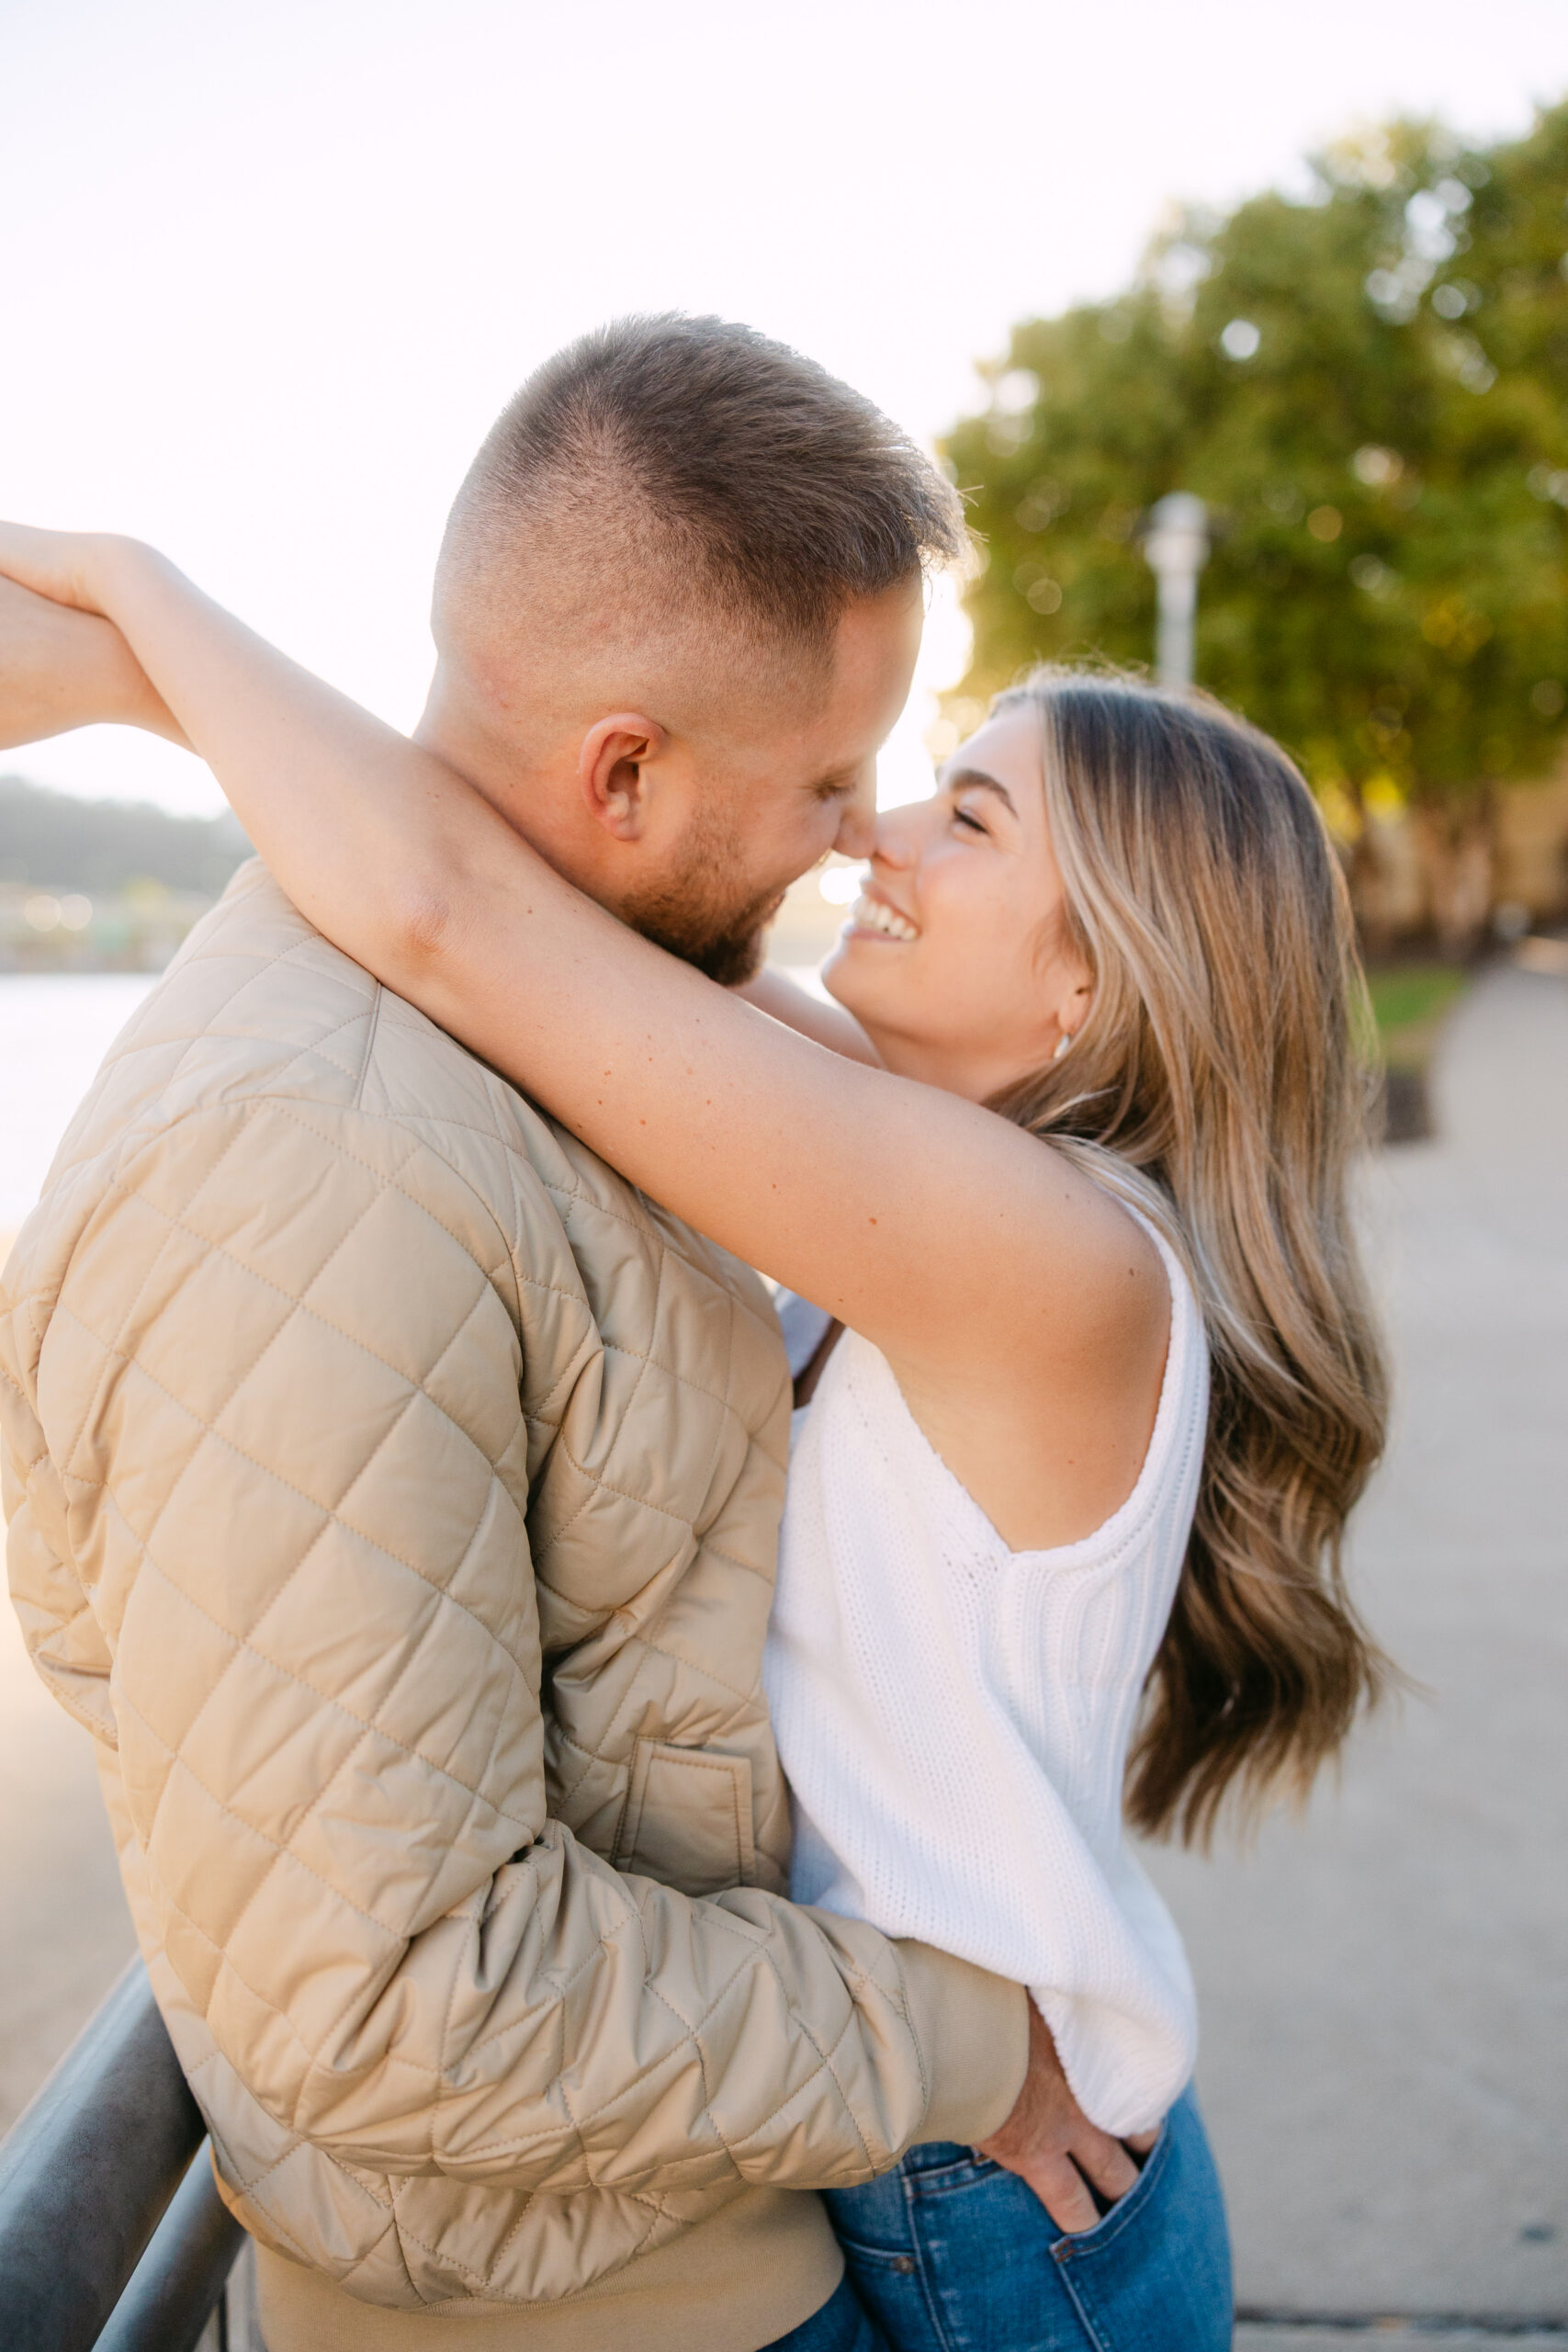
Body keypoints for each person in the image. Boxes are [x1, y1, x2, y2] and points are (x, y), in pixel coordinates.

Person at [0, 411, 1391, 2349]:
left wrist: (137, 596)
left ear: (1086, 985)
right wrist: (156, 690)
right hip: (904, 2118)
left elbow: (454, 921)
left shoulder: (1044, 1255)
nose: (866, 829)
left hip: (1001, 2189)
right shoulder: (932, 1156)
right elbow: (530, 864)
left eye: (960, 815)